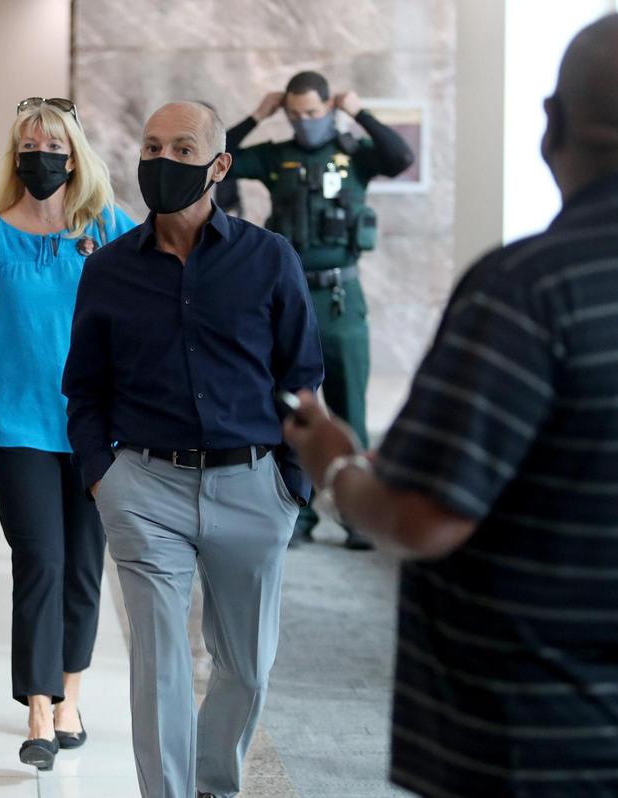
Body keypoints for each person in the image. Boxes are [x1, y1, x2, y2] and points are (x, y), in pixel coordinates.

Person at [283, 14, 618, 797]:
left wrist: (332, 462)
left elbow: (423, 516)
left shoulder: (530, 292)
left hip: (538, 740)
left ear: (552, 125)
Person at [63, 101, 323, 798]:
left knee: (246, 667)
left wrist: (290, 487)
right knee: (160, 666)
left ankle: (214, 783)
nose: (163, 162)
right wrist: (102, 478)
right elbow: (83, 389)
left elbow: (302, 378)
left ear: (219, 165)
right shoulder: (110, 269)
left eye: (183, 149)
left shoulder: (269, 260)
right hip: (146, 491)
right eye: (152, 147)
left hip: (254, 487)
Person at [0, 96, 135, 771]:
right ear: (16, 158)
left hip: (94, 426)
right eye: (28, 145)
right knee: (42, 560)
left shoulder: (110, 229)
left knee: (85, 565)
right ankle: (39, 711)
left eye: (51, 144)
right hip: (15, 421)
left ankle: (71, 695)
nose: (40, 156)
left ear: (74, 154)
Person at [227, 72, 415, 549]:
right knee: (292, 405)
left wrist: (360, 112)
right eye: (295, 113)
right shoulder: (276, 156)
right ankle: (301, 512)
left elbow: (401, 157)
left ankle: (356, 517)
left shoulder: (355, 154)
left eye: (313, 112)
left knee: (349, 403)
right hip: (289, 297)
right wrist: (258, 115)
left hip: (340, 298)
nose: (304, 121)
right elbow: (218, 160)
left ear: (329, 106)